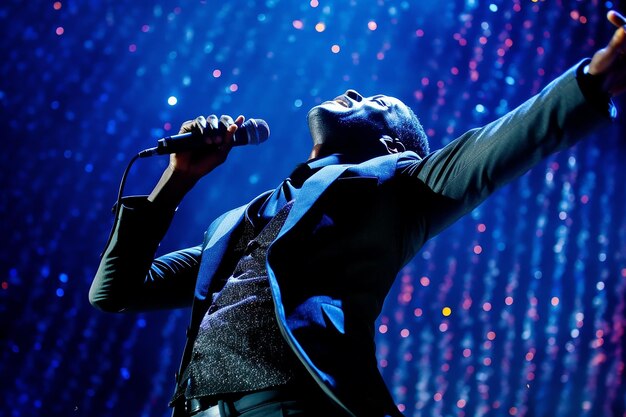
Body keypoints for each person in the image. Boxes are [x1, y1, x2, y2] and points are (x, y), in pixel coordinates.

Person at [89, 10, 626, 417]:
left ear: (392, 143)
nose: (351, 90)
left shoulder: (399, 186)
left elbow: (503, 143)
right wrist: (178, 176)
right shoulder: (238, 223)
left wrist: (596, 76)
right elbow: (115, 291)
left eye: (375, 100)